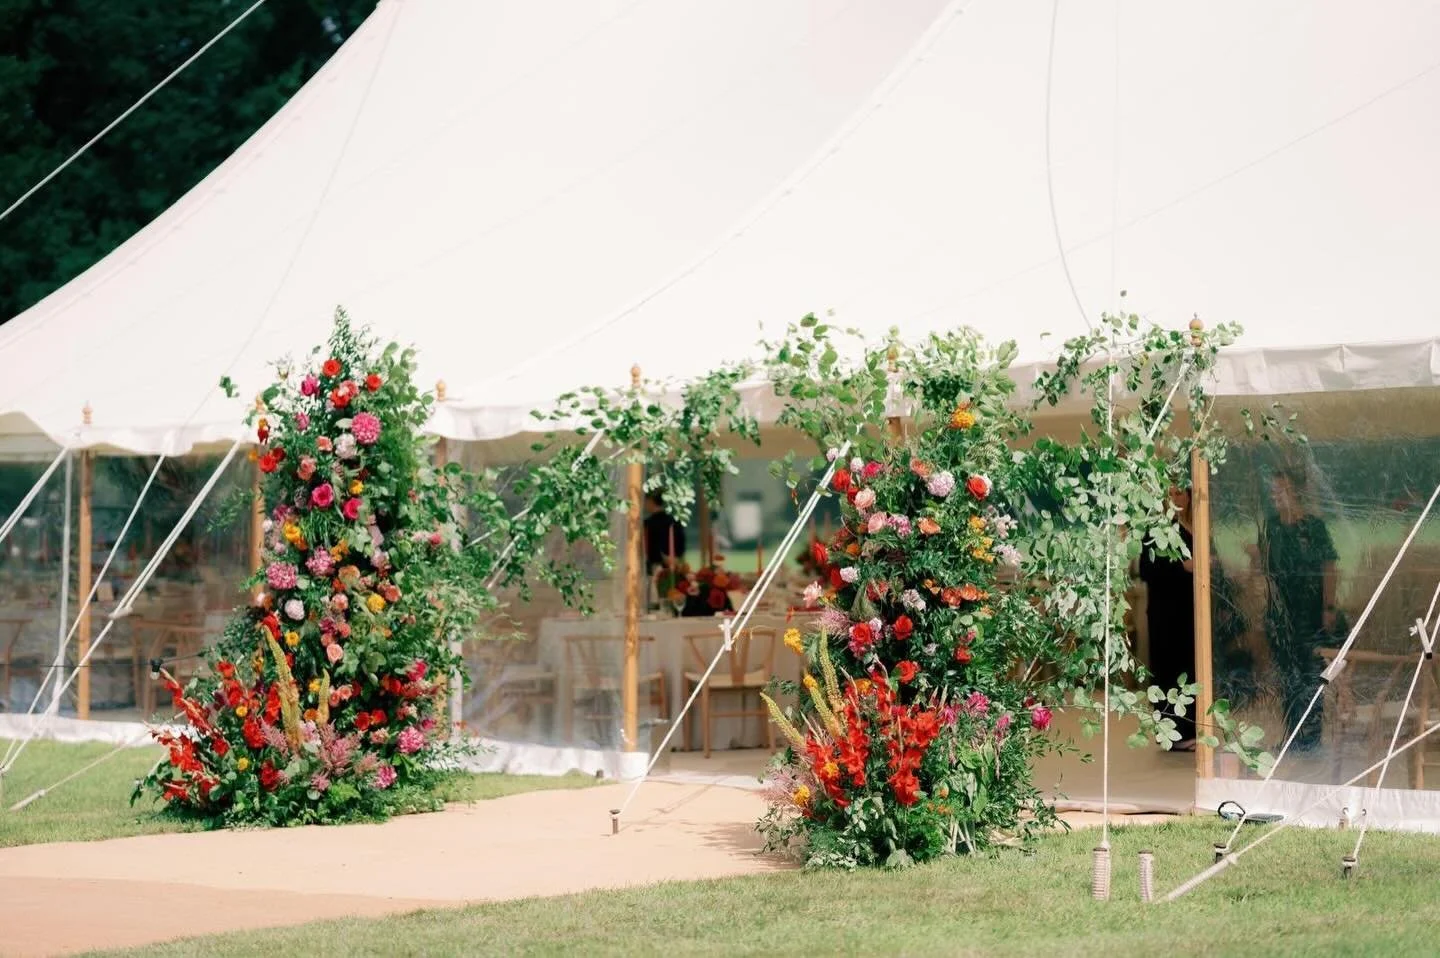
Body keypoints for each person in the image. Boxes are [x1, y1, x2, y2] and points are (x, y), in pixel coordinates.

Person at [1253, 467, 1338, 752]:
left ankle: (1310, 738)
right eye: (1273, 490)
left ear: (1296, 492)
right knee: (1286, 674)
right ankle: (1291, 736)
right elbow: (1264, 568)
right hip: (1280, 613)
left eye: (1282, 490)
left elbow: (1329, 567)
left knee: (1310, 673)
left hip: (1310, 612)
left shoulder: (1314, 527)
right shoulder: (1272, 526)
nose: (1275, 495)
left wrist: (1328, 607)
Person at [1139, 485, 1196, 751]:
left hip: (1190, 612)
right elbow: (1147, 569)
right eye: (1170, 494)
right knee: (1169, 669)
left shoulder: (1196, 527)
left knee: (1190, 669)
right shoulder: (1157, 529)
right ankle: (1174, 734)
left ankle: (1190, 728)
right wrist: (1181, 568)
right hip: (1165, 613)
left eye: (1180, 493)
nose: (1175, 499)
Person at [643, 490, 685, 573]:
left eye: (646, 501)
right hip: (675, 567)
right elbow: (681, 545)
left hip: (654, 569)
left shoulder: (648, 524)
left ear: (650, 501)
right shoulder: (674, 522)